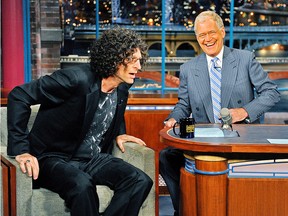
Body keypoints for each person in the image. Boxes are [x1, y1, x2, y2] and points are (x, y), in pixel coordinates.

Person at [7, 27, 153, 216]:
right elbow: (19, 95)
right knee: (83, 185)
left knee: (140, 180)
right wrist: (21, 150)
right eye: (132, 60)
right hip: (53, 157)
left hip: (92, 158)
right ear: (114, 58)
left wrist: (119, 133)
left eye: (140, 60)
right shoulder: (75, 79)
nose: (139, 67)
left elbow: (110, 112)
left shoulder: (122, 89)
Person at [159, 11, 280, 216]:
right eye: (201, 35)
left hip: (241, 138)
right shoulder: (188, 68)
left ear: (222, 32)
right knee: (166, 157)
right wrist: (173, 118)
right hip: (204, 140)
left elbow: (272, 93)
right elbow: (184, 104)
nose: (207, 39)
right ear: (197, 38)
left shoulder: (244, 59)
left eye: (211, 32)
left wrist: (244, 112)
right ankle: (184, 209)